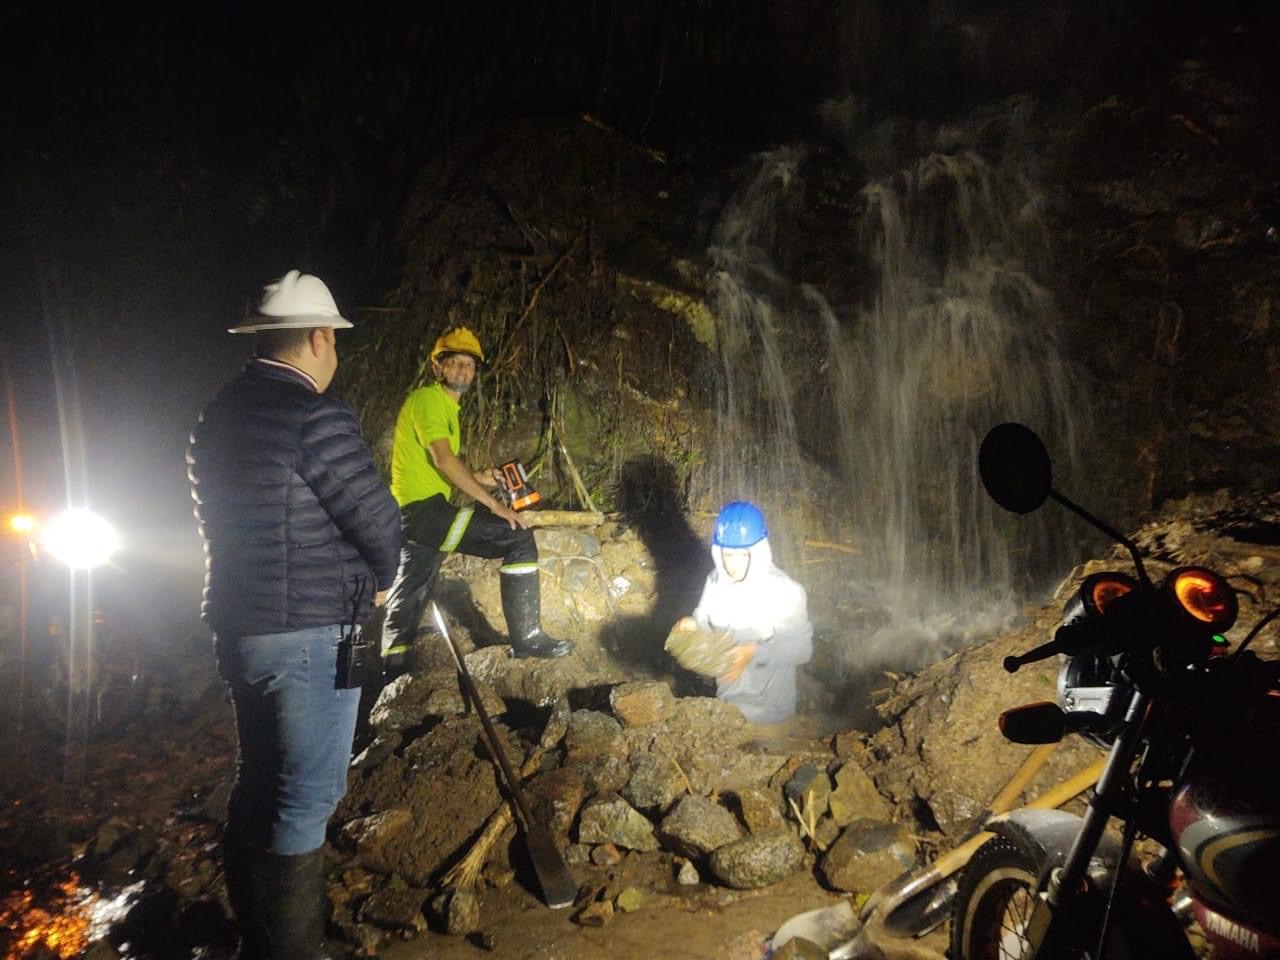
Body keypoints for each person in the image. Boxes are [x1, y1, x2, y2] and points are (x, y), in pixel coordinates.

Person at [187, 270, 401, 960]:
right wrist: (382, 583)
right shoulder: (316, 416)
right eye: (334, 338)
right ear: (318, 337)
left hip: (240, 631)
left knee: (259, 784)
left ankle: (258, 939)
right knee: (307, 797)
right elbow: (377, 521)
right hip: (310, 633)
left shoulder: (217, 416)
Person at [381, 326, 572, 666]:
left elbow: (442, 467)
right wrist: (493, 504)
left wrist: (486, 478)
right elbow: (444, 459)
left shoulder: (444, 409)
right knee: (518, 538)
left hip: (413, 517)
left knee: (409, 593)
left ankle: (391, 670)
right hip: (426, 512)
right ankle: (527, 639)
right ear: (437, 367)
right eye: (454, 363)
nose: (462, 370)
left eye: (469, 365)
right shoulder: (429, 400)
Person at [676, 501, 812, 724]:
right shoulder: (715, 582)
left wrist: (754, 653)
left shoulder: (784, 590)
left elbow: (800, 648)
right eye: (728, 555)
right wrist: (692, 624)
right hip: (727, 709)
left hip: (772, 714)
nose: (734, 565)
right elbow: (706, 624)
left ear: (758, 551)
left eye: (743, 556)